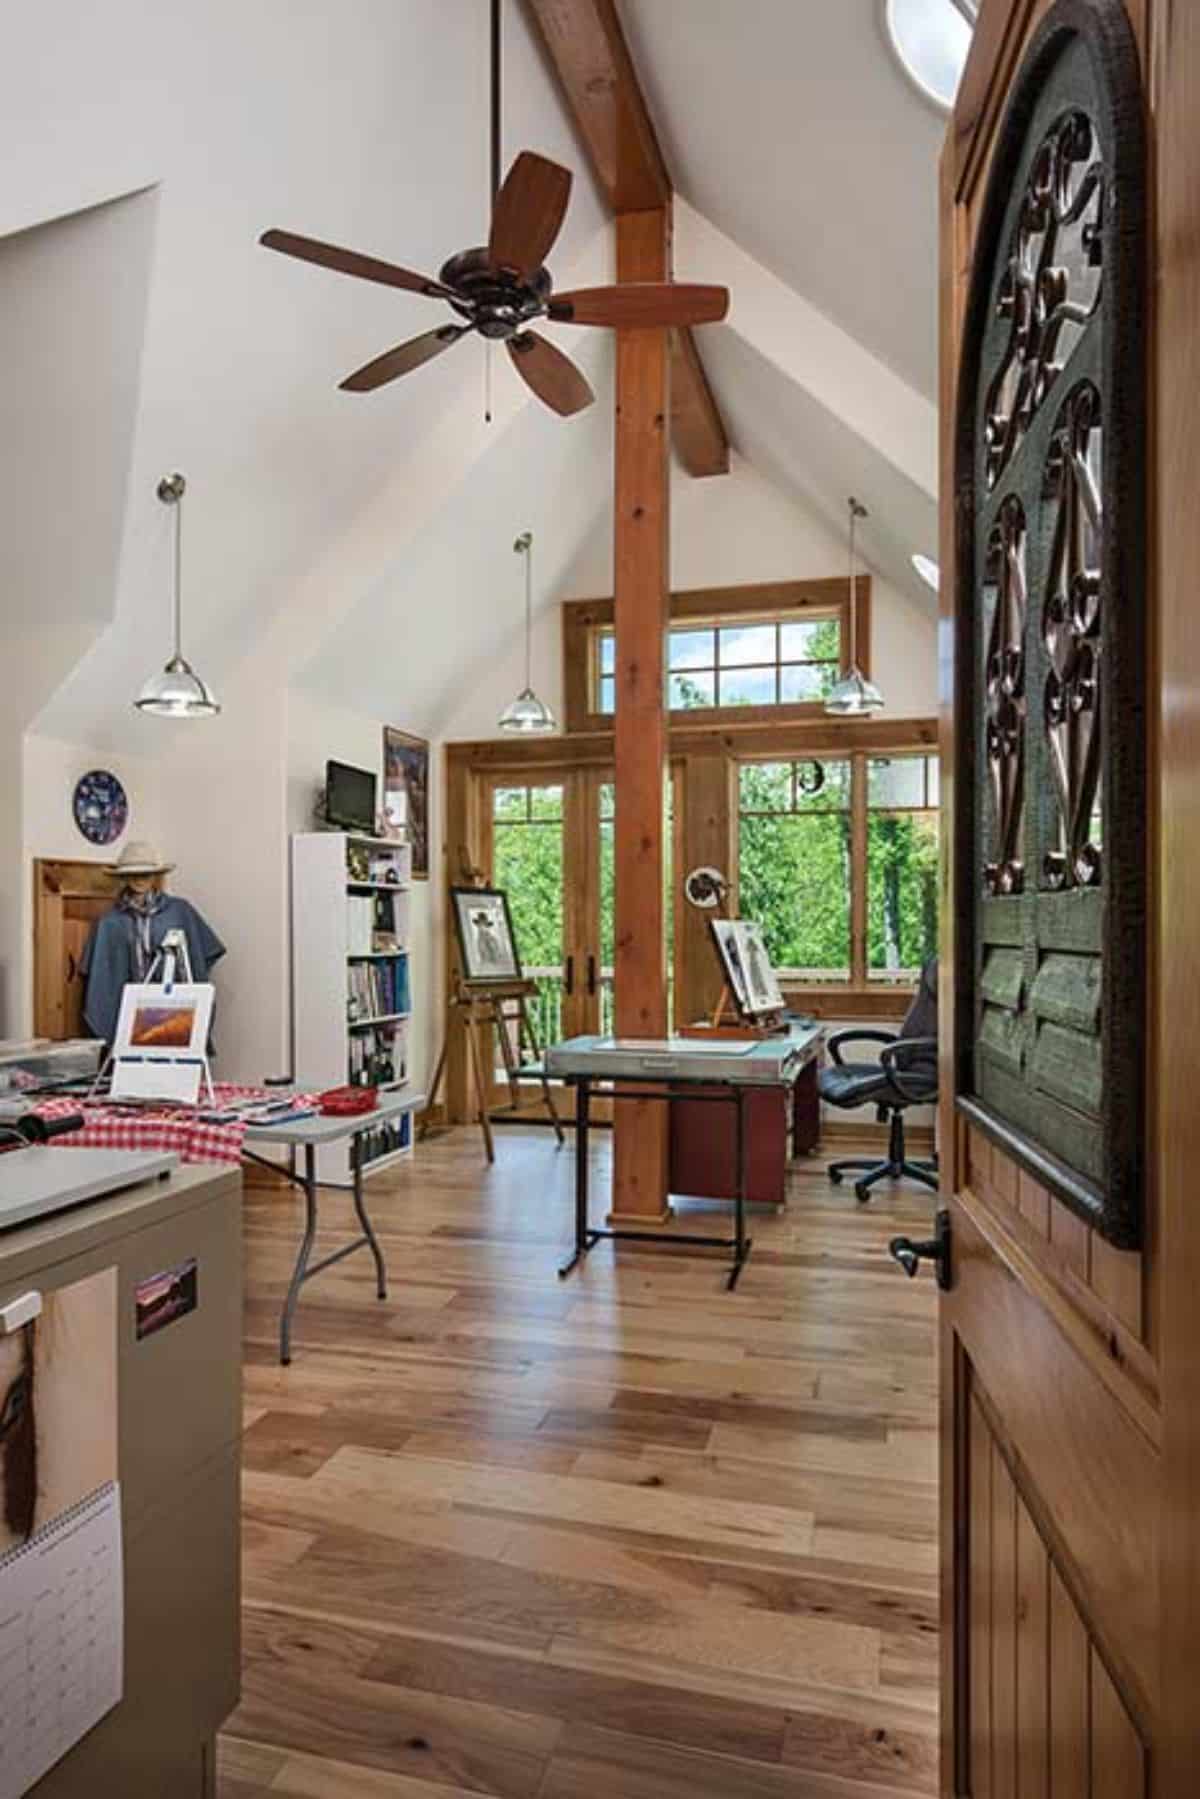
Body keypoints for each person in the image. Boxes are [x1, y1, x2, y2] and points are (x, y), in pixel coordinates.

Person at [80, 842, 225, 1044]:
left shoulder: (179, 912)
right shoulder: (110, 922)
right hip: (128, 1012)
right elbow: (101, 975)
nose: (140, 880)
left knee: (176, 1063)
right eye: (134, 874)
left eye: (146, 874)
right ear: (123, 877)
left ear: (155, 875)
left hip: (175, 1008)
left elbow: (201, 957)